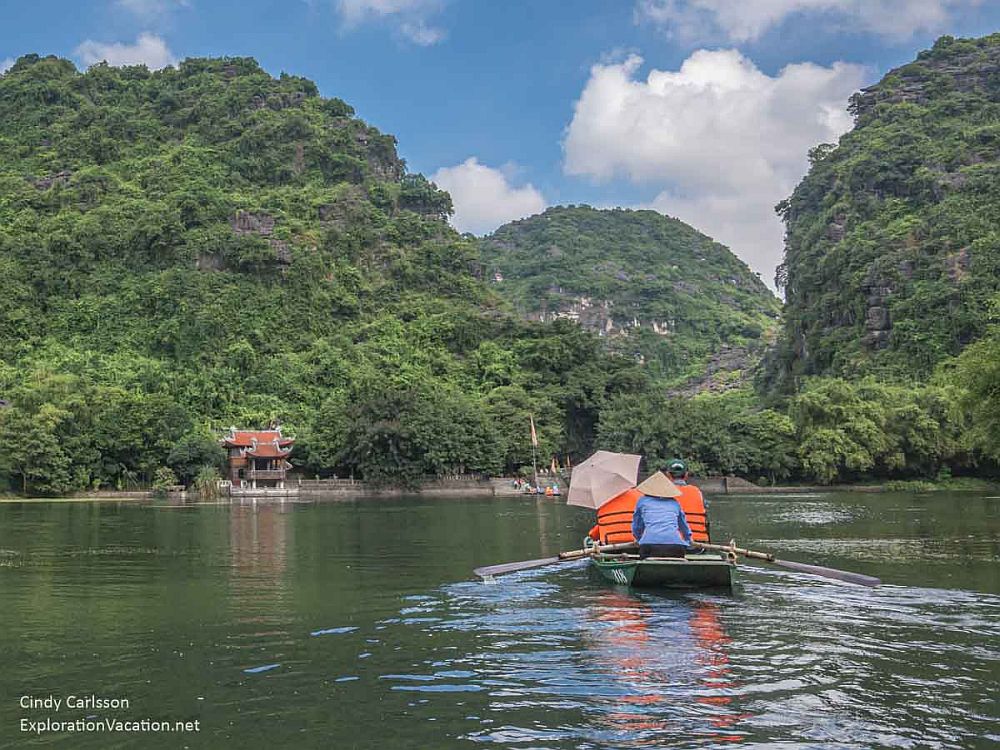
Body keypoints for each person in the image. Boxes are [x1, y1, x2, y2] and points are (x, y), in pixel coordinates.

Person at [631, 471, 692, 559]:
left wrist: (639, 539)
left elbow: (637, 527)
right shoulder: (674, 503)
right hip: (676, 546)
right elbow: (683, 526)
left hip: (649, 545)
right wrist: (688, 540)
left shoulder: (642, 501)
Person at [665, 458, 711, 544]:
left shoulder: (663, 493)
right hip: (698, 545)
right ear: (686, 475)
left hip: (670, 544)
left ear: (668, 474)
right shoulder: (697, 492)